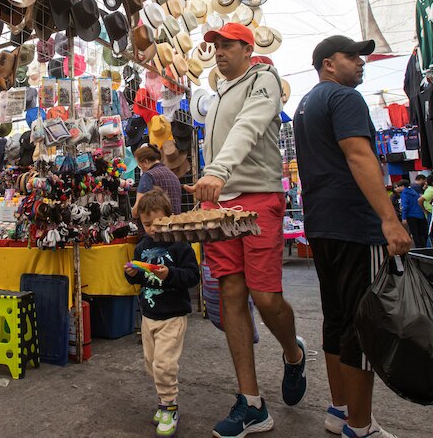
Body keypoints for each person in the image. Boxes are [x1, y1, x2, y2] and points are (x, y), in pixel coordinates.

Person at [182, 22, 306, 436]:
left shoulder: (263, 79)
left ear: (247, 48)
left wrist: (216, 170)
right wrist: (208, 187)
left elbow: (249, 127)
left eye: (226, 45)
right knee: (231, 291)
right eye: (214, 46)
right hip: (219, 204)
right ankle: (251, 402)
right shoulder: (216, 96)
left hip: (255, 199)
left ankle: (292, 352)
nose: (218, 52)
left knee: (266, 297)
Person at [293, 35, 411, 438]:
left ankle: (340, 409)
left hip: (323, 224)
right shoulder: (345, 99)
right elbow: (359, 156)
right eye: (353, 57)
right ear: (329, 63)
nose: (362, 63)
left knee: (338, 318)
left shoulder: (306, 105)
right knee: (362, 323)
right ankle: (360, 426)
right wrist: (389, 219)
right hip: (354, 225)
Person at [124, 188, 200, 437]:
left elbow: (192, 276)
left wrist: (170, 274)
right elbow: (137, 280)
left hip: (173, 315)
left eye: (158, 222)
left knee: (165, 364)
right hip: (148, 315)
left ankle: (170, 406)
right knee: (151, 364)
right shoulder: (142, 247)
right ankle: (163, 402)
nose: (153, 229)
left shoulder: (179, 244)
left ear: (169, 216)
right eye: (147, 224)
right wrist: (132, 273)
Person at [133, 144, 182, 221]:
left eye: (140, 165)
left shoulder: (148, 176)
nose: (141, 169)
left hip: (155, 228)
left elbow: (137, 210)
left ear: (145, 162)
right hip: (174, 227)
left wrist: (132, 211)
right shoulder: (173, 176)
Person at [397, 178, 426, 248]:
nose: (398, 188)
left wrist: (404, 218)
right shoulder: (413, 191)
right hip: (420, 214)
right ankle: (424, 247)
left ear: (402, 186)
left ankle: (419, 249)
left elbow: (405, 206)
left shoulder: (404, 193)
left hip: (411, 215)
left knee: (415, 234)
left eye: (399, 186)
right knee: (421, 233)